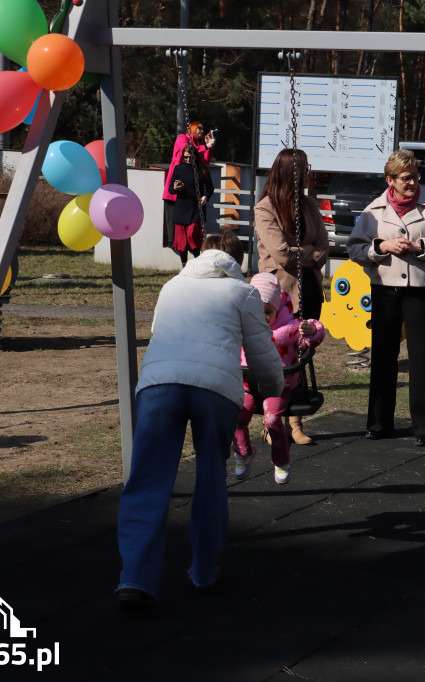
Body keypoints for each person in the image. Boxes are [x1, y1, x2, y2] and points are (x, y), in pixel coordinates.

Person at [116, 230, 283, 608]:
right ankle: (204, 572)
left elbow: (160, 332)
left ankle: (134, 580)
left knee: (147, 480)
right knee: (210, 477)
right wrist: (275, 389)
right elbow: (262, 354)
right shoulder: (243, 293)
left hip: (159, 384)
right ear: (237, 263)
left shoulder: (172, 285)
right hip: (215, 390)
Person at [347, 150, 425, 447]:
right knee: (383, 357)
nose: (412, 183)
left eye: (415, 176)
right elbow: (355, 249)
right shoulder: (374, 209)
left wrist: (421, 247)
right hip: (384, 291)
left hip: (421, 292)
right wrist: (382, 246)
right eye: (405, 178)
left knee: (422, 359)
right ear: (390, 181)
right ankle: (379, 423)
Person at [254, 148, 330, 445]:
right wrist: (308, 252)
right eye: (302, 170)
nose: (307, 175)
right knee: (276, 358)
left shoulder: (310, 205)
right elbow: (281, 255)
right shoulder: (266, 208)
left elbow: (324, 249)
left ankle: (295, 422)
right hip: (279, 295)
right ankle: (273, 424)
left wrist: (305, 254)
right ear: (288, 173)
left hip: (309, 288)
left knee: (301, 353)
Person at [233, 273, 326, 485]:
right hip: (248, 386)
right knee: (235, 416)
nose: (263, 317)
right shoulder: (242, 326)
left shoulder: (289, 328)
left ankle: (281, 460)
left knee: (272, 419)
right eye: (258, 312)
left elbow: (312, 337)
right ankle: (244, 451)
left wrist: (311, 330)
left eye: (268, 312)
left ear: (278, 309)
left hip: (278, 386)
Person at [168, 144, 214, 266]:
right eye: (185, 157)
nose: (188, 160)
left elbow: (210, 188)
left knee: (192, 235)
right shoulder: (178, 168)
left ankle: (198, 262)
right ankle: (184, 266)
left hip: (196, 208)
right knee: (181, 240)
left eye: (190, 157)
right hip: (181, 207)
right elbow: (170, 189)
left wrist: (205, 197)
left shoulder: (202, 169)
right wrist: (175, 187)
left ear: (195, 157)